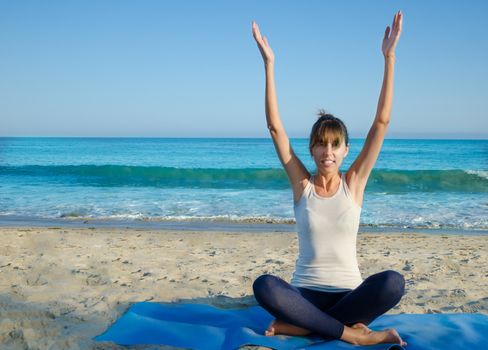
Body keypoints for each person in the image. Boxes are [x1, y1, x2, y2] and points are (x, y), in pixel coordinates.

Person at [251, 11, 407, 347]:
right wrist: (269, 64)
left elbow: (381, 123)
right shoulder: (302, 186)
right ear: (311, 149)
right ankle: (352, 332)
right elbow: (275, 129)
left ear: (346, 150)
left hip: (350, 293)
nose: (328, 152)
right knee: (264, 284)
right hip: (303, 297)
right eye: (321, 144)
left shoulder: (354, 185)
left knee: (393, 282)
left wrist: (389, 57)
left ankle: (305, 327)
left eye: (335, 145)